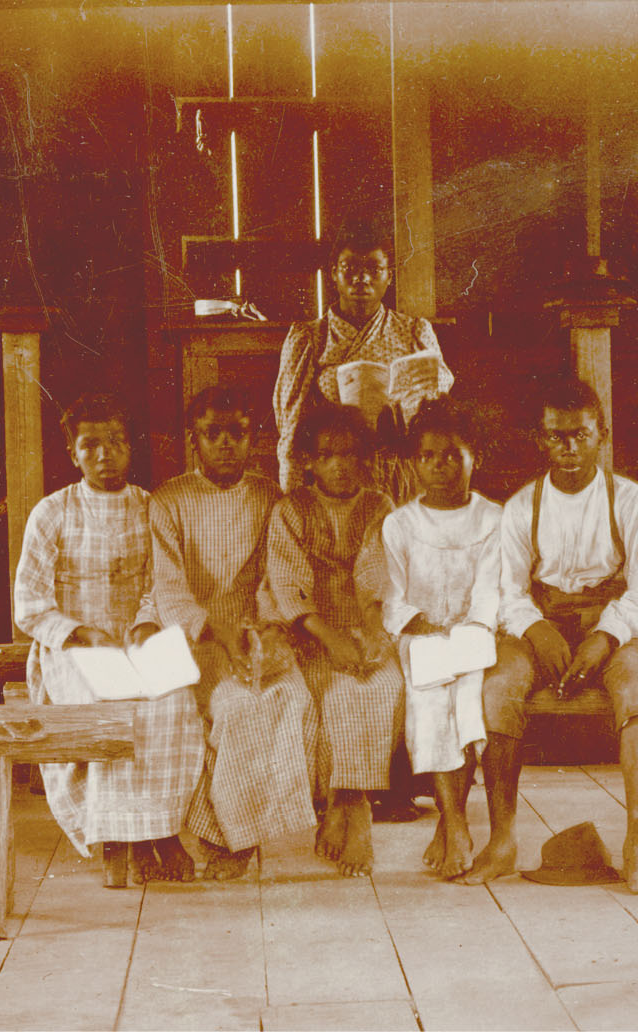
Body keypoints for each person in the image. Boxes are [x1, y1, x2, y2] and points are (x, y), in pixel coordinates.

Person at [463, 378, 638, 895]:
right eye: (557, 436)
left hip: (614, 618)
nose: (570, 447)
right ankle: (503, 838)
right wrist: (535, 628)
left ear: (602, 434)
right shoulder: (522, 505)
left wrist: (605, 636)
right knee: (497, 686)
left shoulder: (630, 499)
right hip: (543, 619)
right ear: (541, 439)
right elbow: (508, 590)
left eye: (581, 434)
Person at [13, 394, 204, 885]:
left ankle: (163, 829)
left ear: (131, 446)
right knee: (111, 704)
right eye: (91, 445)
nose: (105, 455)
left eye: (116, 442)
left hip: (140, 637)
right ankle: (125, 839)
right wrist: (81, 632)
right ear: (73, 454)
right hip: (73, 649)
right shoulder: (52, 512)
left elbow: (161, 582)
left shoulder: (150, 507)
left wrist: (144, 623)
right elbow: (30, 604)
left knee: (174, 701)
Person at [151, 387, 316, 881]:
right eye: (212, 433)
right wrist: (217, 631)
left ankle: (238, 834)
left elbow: (277, 576)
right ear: (193, 440)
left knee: (291, 697)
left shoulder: (269, 498)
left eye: (237, 433)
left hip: (256, 631)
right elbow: (168, 590)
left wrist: (268, 631)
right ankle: (224, 834)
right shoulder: (168, 500)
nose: (225, 443)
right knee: (233, 707)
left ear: (253, 438)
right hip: (195, 638)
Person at [263, 402, 403, 878]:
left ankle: (353, 805)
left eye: (349, 454)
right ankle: (339, 805)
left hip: (367, 627)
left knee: (379, 686)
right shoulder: (290, 510)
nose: (339, 465)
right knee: (328, 694)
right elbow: (287, 585)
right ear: (308, 461)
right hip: (309, 632)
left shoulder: (379, 506)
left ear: (365, 457)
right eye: (326, 455)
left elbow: (377, 573)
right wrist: (329, 639)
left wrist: (372, 635)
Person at [377, 401, 500, 880]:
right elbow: (392, 594)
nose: (440, 465)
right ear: (414, 463)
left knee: (467, 694)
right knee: (429, 699)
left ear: (476, 457)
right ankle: (456, 822)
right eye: (428, 456)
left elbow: (492, 587)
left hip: (474, 631)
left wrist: (471, 626)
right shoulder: (400, 523)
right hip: (421, 634)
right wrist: (420, 623)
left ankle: (451, 822)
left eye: (452, 455)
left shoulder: (494, 518)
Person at [272, 221, 454, 498]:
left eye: (374, 269)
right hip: (337, 474)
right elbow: (292, 427)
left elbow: (439, 411)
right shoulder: (309, 338)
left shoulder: (414, 332)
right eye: (350, 268)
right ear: (334, 273)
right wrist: (294, 495)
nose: (362, 278)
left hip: (402, 472)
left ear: (389, 276)